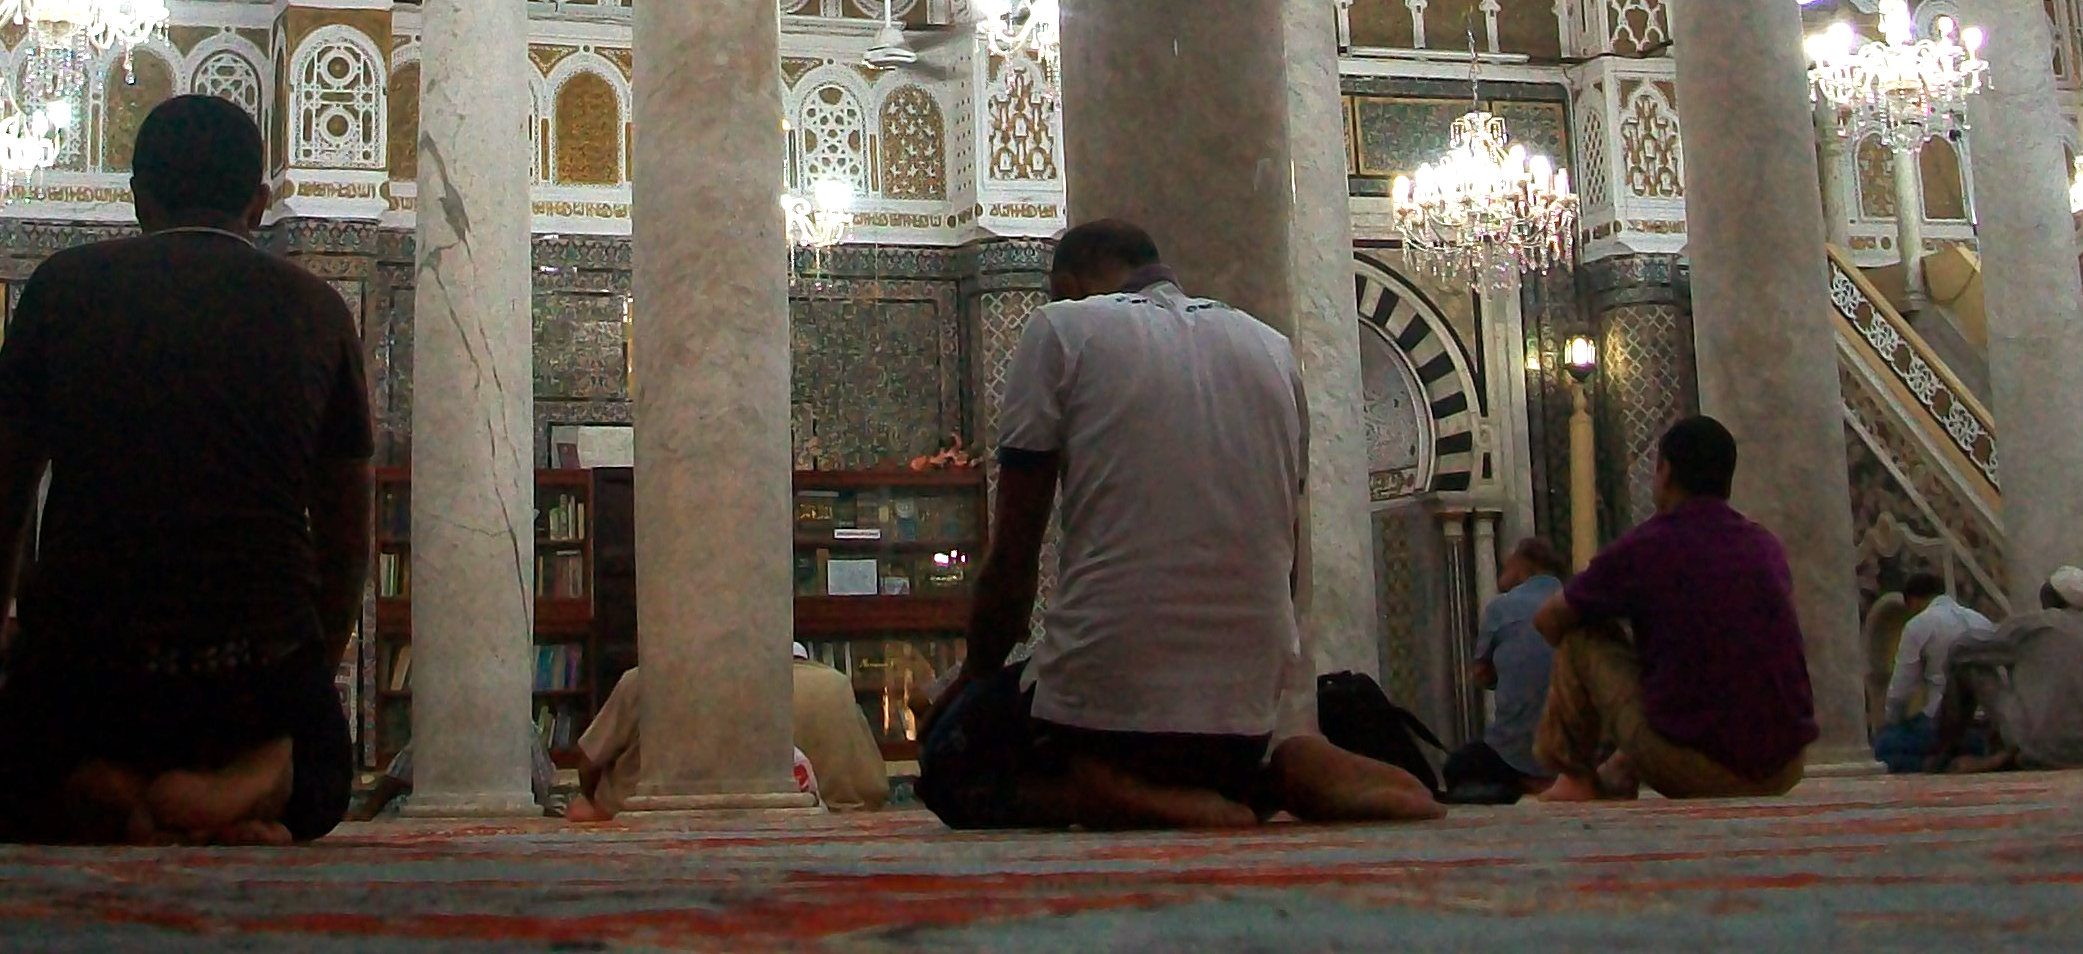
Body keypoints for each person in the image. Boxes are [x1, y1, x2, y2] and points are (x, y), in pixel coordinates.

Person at [0, 95, 375, 844]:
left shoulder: (62, 289)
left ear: (139, 200)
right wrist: (308, 683)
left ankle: (108, 790)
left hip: (88, 677)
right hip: (254, 680)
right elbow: (348, 539)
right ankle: (246, 784)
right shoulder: (320, 311)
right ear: (259, 204)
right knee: (323, 774)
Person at [922, 218, 1439, 830]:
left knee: (950, 758)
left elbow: (1014, 561)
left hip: (1106, 714)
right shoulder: (1271, 347)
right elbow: (1288, 558)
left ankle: (1107, 791)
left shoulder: (1060, 327)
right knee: (1214, 743)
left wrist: (972, 678)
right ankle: (1276, 771)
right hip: (1245, 713)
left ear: (1066, 286)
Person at [1531, 415, 1818, 801]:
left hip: (1697, 769)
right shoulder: (1765, 545)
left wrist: (1612, 633)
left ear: (1664, 472)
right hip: (1785, 767)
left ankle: (1574, 777)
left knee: (1581, 635)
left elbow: (1549, 620)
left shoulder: (1648, 545)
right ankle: (1622, 767)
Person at [564, 644, 891, 817]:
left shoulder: (644, 681)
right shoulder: (834, 684)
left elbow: (588, 763)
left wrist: (597, 801)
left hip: (648, 817)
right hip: (833, 819)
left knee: (580, 811)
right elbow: (871, 785)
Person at [1936, 567, 2083, 771]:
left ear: (2047, 594)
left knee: (1968, 663)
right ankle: (2010, 753)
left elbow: (1962, 649)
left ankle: (1945, 751)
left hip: (2038, 744)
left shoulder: (2036, 624)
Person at [1459, 536, 1567, 794]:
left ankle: (1526, 781)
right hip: (1574, 754)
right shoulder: (1576, 600)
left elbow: (1481, 673)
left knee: (1458, 767)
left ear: (1523, 565)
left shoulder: (1501, 607)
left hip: (1515, 753)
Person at [1875, 569, 1989, 773]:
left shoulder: (1919, 625)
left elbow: (1901, 690)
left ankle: (1931, 764)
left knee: (1882, 747)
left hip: (1940, 725)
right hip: (1981, 729)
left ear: (1913, 601)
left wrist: (1892, 722)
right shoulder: (1981, 621)